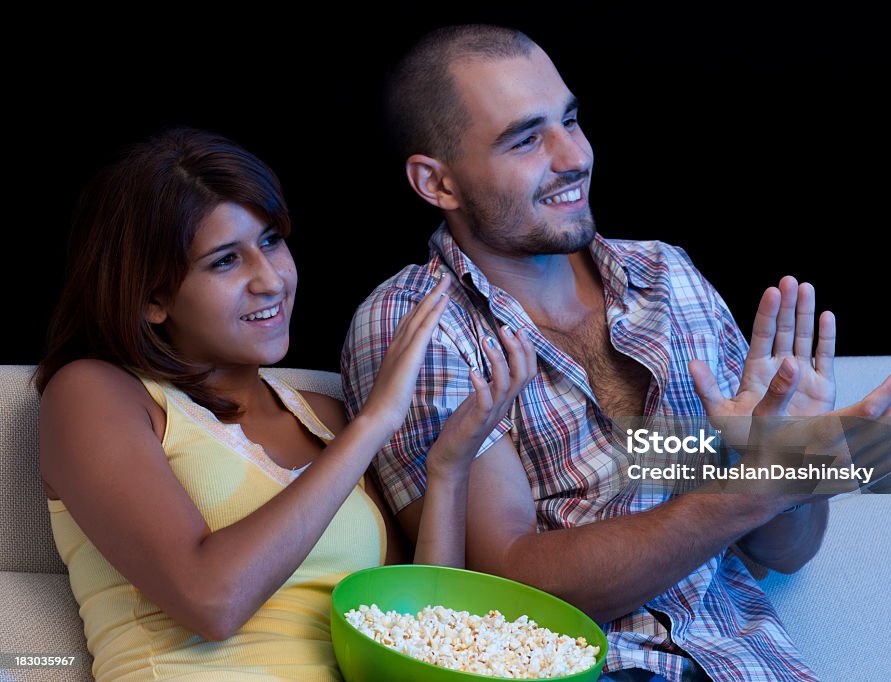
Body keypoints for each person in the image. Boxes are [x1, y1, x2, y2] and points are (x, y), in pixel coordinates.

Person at [339, 25, 891, 682]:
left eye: (571, 121)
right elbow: (504, 580)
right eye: (527, 138)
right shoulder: (418, 325)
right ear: (436, 182)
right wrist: (748, 492)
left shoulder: (667, 277)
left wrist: (784, 466)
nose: (574, 157)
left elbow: (783, 552)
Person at [35, 127, 535, 681]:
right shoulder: (94, 394)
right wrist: (374, 424)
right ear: (152, 297)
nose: (270, 280)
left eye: (271, 241)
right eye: (226, 261)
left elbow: (417, 637)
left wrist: (447, 471)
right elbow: (211, 602)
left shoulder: (325, 419)